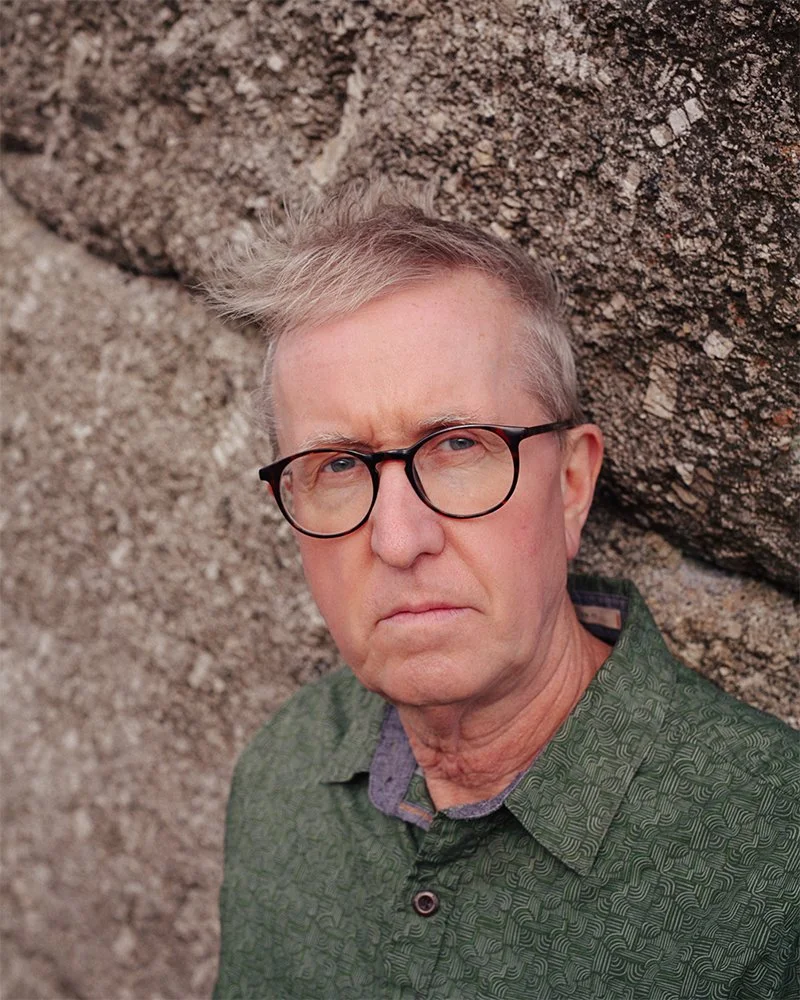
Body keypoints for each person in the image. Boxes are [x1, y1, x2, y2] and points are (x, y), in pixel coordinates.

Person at [211, 181, 799, 999]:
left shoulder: (776, 857)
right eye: (339, 466)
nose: (397, 538)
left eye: (457, 445)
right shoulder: (283, 775)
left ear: (570, 484)